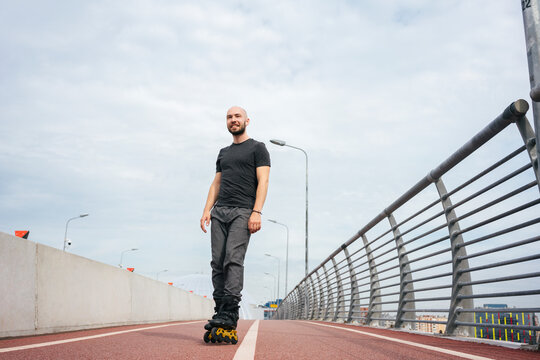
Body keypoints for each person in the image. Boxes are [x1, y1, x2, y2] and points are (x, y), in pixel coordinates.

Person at [200, 106, 270, 339]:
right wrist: (206, 210)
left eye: (237, 116)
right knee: (217, 263)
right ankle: (219, 309)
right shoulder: (223, 152)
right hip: (220, 212)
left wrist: (256, 211)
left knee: (233, 259)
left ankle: (230, 311)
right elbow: (216, 184)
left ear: (247, 120)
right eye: (229, 117)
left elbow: (263, 181)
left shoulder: (258, 148)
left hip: (243, 211)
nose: (233, 120)